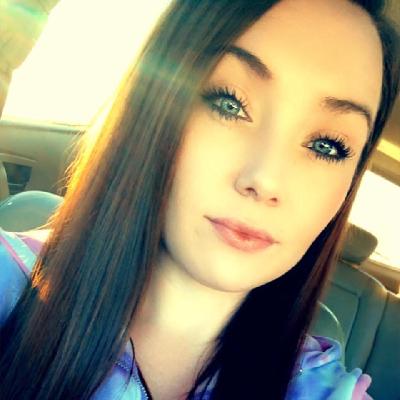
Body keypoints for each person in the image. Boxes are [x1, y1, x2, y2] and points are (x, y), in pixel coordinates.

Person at [0, 0, 399, 399]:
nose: (265, 180)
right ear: (154, 107)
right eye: (229, 104)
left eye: (327, 146)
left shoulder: (323, 390)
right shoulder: (10, 285)